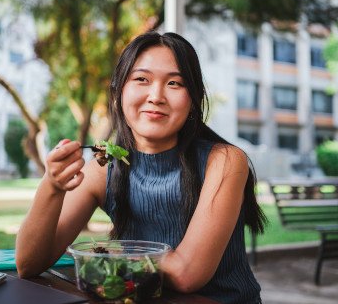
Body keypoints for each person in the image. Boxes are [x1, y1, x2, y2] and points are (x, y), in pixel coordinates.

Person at [16, 31, 266, 304]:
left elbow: (186, 275)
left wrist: (110, 251)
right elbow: (28, 264)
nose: (156, 96)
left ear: (193, 99)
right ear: (118, 92)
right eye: (141, 79)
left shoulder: (225, 161)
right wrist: (52, 186)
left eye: (174, 83)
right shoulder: (103, 168)